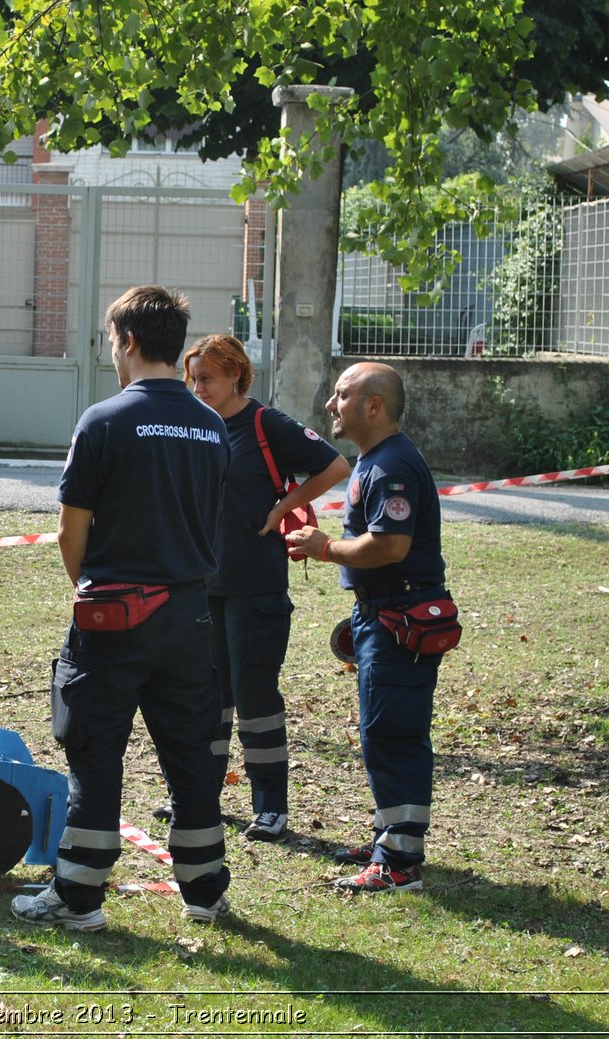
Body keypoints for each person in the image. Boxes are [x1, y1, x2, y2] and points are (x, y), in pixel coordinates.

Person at [10, 284, 232, 931]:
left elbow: (69, 531)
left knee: (95, 753)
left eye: (112, 341)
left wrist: (96, 591)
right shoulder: (213, 427)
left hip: (112, 622)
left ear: (129, 341)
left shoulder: (103, 421)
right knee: (191, 757)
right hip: (190, 618)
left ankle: (79, 897)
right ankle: (204, 889)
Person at [286, 362, 450, 893]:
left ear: (373, 405)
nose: (331, 405)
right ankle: (389, 834)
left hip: (399, 619)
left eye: (342, 395)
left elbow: (391, 545)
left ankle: (400, 862)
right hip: (380, 614)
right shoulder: (376, 461)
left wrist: (325, 547)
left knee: (393, 732)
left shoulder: (392, 466)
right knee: (381, 730)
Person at [182, 334, 350, 841]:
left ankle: (270, 806)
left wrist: (281, 507)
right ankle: (199, 798)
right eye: (192, 379)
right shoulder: (194, 425)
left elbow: (335, 466)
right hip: (204, 585)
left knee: (254, 692)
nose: (198, 388)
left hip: (256, 585)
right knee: (207, 695)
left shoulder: (264, 423)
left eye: (206, 377)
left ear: (236, 373)